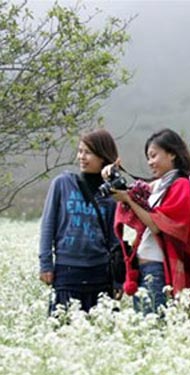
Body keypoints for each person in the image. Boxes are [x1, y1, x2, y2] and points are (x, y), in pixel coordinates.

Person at [106, 128, 190, 314]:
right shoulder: (160, 184)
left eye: (153, 156)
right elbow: (134, 193)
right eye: (148, 157)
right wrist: (113, 177)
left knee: (155, 327)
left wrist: (129, 199)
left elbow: (156, 224)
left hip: (159, 269)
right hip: (144, 268)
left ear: (172, 154)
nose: (150, 162)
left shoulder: (181, 185)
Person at [39, 128, 119, 313]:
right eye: (80, 151)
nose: (81, 157)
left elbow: (114, 237)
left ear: (103, 157)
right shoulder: (62, 183)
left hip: (100, 272)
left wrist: (118, 280)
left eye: (88, 152)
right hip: (67, 271)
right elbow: (47, 226)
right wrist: (46, 264)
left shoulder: (112, 195)